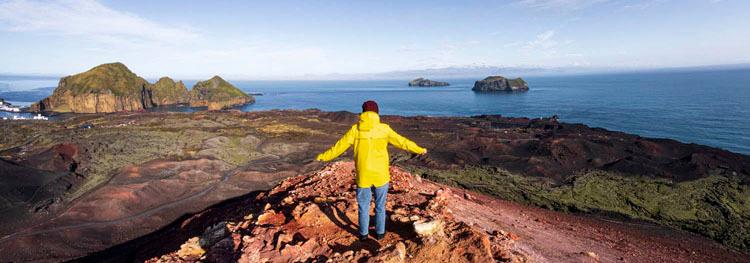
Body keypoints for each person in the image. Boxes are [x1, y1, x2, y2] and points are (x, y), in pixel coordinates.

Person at [315, 100, 427, 241]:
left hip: (363, 176)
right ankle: (380, 234)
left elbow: (339, 147)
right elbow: (403, 142)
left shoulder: (355, 130)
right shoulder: (384, 129)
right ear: (377, 113)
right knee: (380, 206)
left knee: (363, 206)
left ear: (363, 113)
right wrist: (419, 149)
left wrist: (322, 157)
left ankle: (363, 235)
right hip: (381, 176)